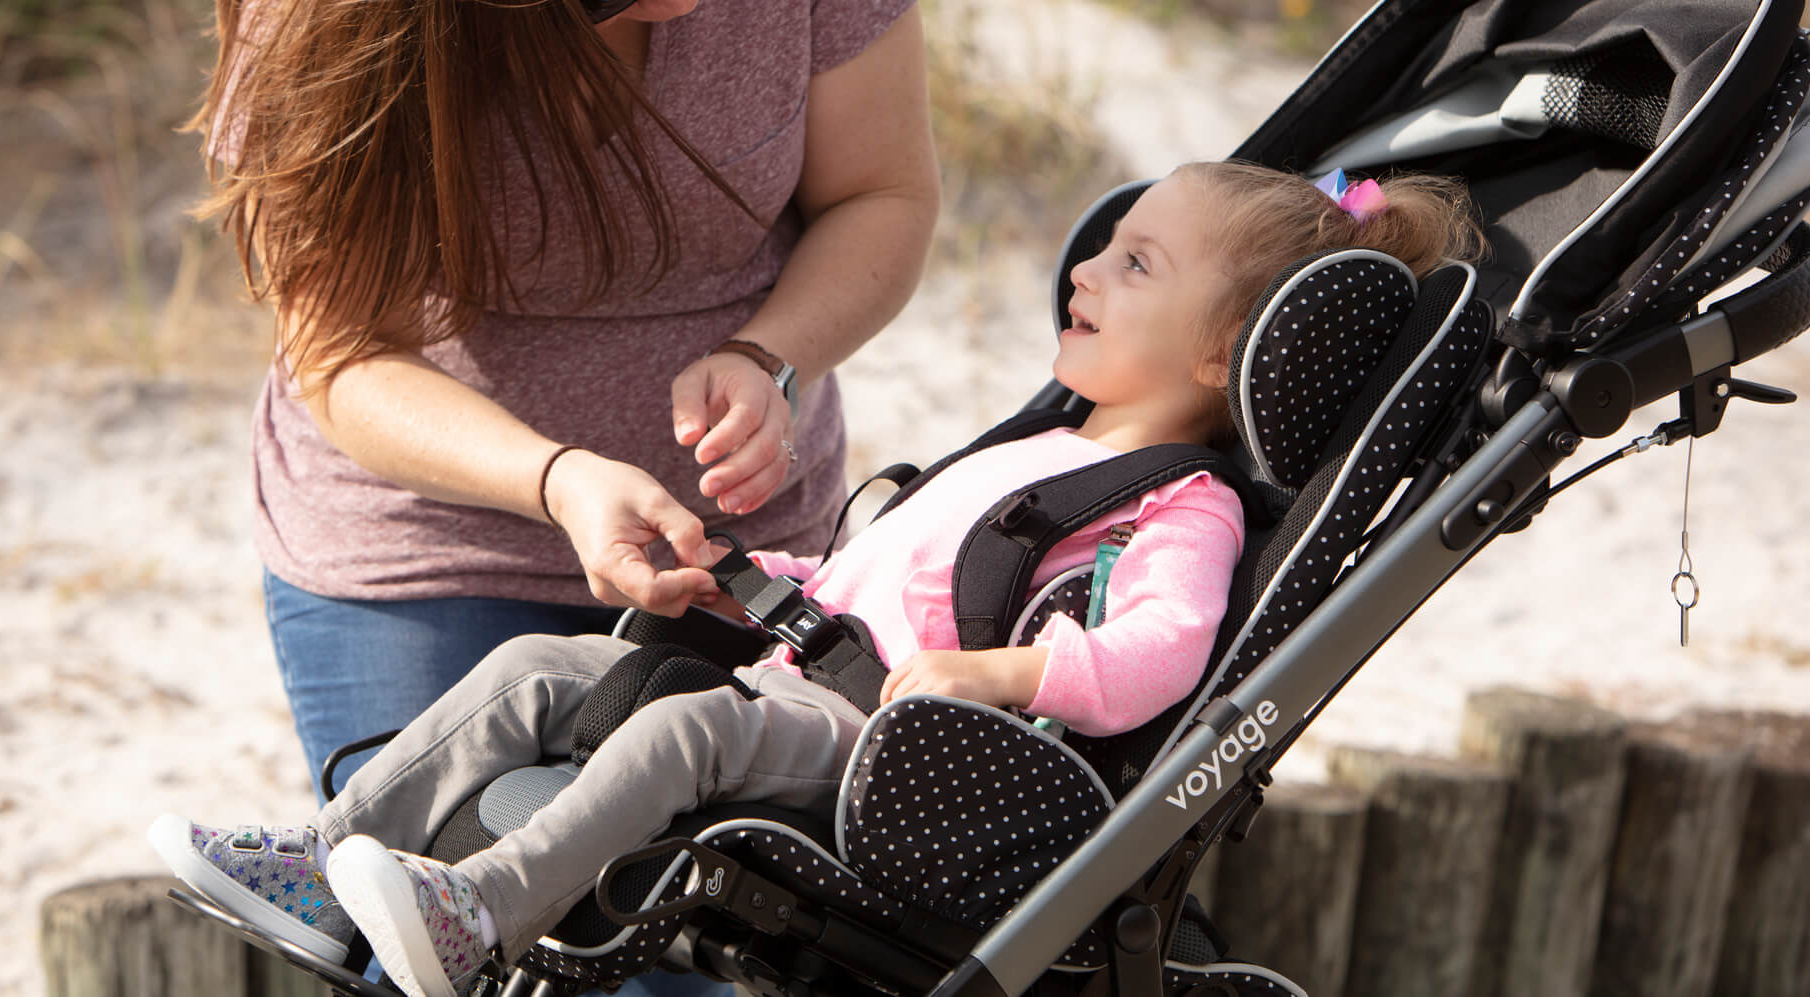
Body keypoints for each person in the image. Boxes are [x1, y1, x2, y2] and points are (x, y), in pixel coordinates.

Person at [148, 162, 1486, 997]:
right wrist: (749, 580)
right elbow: (878, 578)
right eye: (1106, 239)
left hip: (903, 750)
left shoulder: (1177, 510)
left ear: (1226, 357)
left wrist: (1003, 670)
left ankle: (481, 908)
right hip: (815, 669)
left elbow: (1160, 654)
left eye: (1138, 261)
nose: (1084, 265)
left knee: (687, 729)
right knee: (536, 667)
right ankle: (333, 864)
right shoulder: (1041, 446)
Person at [187, 0, 938, 799]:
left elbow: (881, 196)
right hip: (425, 551)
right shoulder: (321, 2)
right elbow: (342, 356)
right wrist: (558, 480)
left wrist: (768, 353)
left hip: (732, 553)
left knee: (715, 926)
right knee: (472, 915)